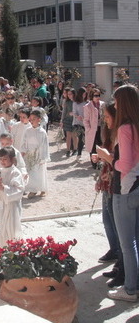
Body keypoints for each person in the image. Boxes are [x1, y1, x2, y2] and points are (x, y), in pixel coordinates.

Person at [97, 85, 139, 302]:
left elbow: (126, 163)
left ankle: (131, 288)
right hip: (137, 187)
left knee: (127, 244)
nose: (115, 105)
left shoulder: (125, 128)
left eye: (117, 101)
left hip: (125, 188)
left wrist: (107, 157)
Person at [92, 102, 123, 288]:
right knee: (107, 219)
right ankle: (115, 250)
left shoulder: (124, 133)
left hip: (116, 182)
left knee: (117, 223)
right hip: (107, 179)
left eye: (107, 116)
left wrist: (106, 158)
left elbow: (121, 161)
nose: (104, 119)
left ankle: (121, 261)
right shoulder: (109, 132)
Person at [0, 146, 25, 245]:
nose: (2, 161)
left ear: (12, 159)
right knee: (3, 226)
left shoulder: (16, 173)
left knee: (12, 227)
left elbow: (19, 190)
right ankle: (3, 248)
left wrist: (5, 188)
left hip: (12, 206)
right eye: (1, 159)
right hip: (2, 204)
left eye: (5, 159)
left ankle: (14, 249)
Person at [21, 110, 50, 199]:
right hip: (29, 155)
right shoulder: (27, 130)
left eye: (34, 119)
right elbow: (24, 142)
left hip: (39, 155)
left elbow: (44, 145)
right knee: (32, 173)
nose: (32, 120)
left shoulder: (42, 132)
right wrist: (23, 151)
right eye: (31, 118)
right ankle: (33, 190)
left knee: (40, 173)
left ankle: (43, 189)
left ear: (39, 120)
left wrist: (43, 158)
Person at [84, 88, 104, 168]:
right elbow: (86, 120)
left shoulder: (103, 104)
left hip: (101, 128)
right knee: (92, 147)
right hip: (92, 129)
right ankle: (94, 164)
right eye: (95, 95)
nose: (97, 97)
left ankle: (101, 162)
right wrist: (88, 129)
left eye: (98, 95)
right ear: (92, 96)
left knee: (101, 145)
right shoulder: (87, 106)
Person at [72, 87, 87, 162]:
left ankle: (80, 152)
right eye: (83, 94)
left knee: (84, 139)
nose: (84, 95)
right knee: (80, 138)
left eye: (85, 94)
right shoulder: (75, 103)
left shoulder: (87, 102)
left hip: (85, 123)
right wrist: (78, 116)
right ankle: (79, 154)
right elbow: (74, 112)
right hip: (77, 123)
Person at [61, 87, 76, 157]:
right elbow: (64, 112)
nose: (69, 95)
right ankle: (68, 150)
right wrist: (62, 120)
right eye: (68, 94)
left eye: (70, 94)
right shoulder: (66, 102)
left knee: (74, 135)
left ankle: (75, 149)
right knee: (68, 135)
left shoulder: (76, 102)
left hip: (75, 120)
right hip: (67, 120)